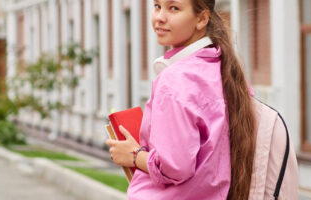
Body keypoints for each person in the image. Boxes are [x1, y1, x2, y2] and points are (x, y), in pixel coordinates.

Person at [105, 0, 257, 199]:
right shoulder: (226, 71)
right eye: (157, 6)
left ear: (202, 18)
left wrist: (133, 155)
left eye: (173, 8)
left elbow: (175, 167)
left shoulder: (176, 80)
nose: (160, 17)